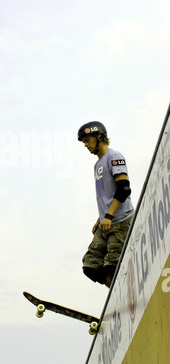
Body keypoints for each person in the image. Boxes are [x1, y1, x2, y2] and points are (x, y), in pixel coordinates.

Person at [78, 121, 134, 288]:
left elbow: (123, 189)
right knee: (91, 265)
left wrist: (108, 215)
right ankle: (117, 294)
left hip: (120, 221)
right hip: (106, 222)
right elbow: (107, 196)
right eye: (84, 142)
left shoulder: (114, 157)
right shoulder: (97, 165)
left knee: (113, 265)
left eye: (87, 140)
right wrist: (100, 218)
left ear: (99, 136)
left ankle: (127, 294)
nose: (85, 145)